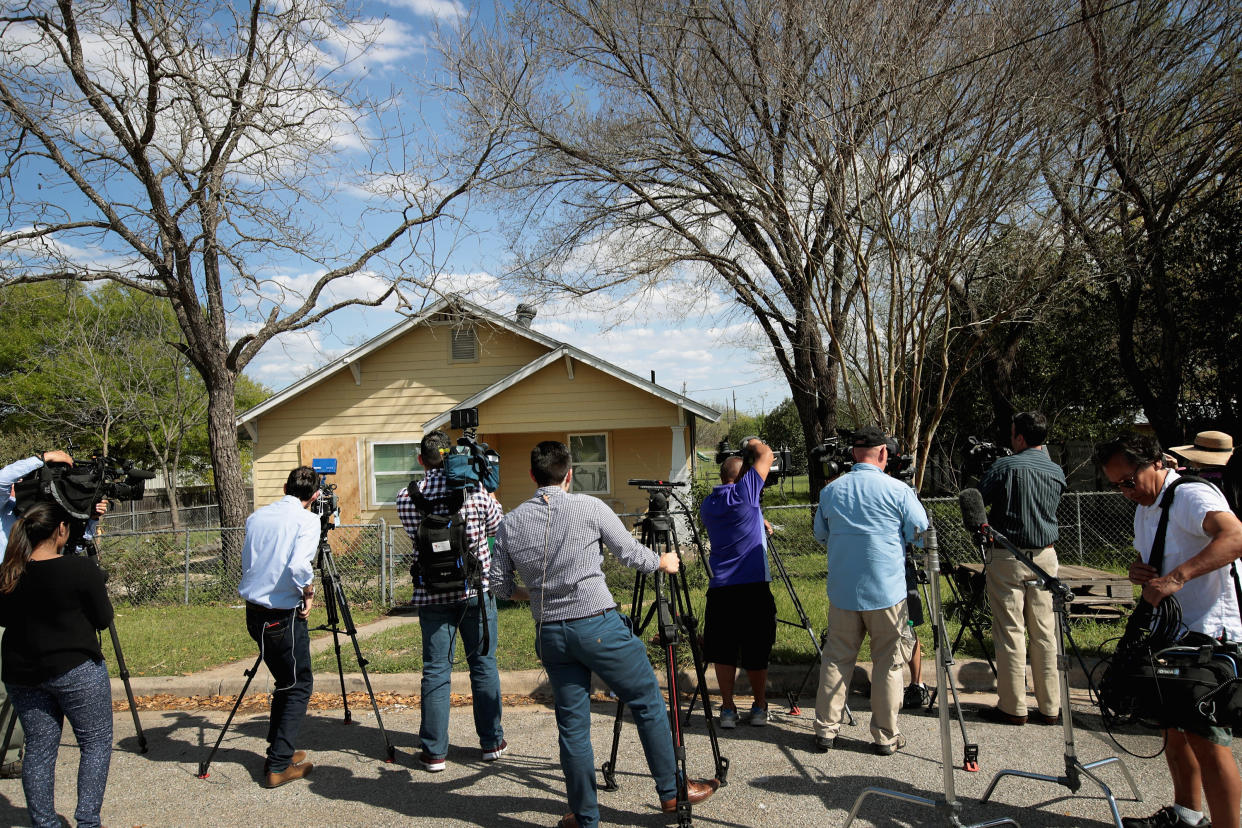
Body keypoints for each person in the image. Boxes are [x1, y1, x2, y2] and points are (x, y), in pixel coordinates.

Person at [491, 441, 718, 828]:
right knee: (645, 698)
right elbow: (630, 554)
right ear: (569, 474)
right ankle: (671, 792)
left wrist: (536, 592)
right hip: (596, 624)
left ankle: (585, 816)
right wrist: (661, 561)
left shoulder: (510, 523)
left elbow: (499, 586)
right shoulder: (589, 507)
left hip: (550, 633)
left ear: (532, 476)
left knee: (573, 726)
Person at [1098, 433, 1242, 828]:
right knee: (1173, 730)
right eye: (1116, 486)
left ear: (1157, 463)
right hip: (1173, 635)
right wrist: (1140, 571)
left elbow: (1235, 536)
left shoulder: (1192, 496)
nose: (1126, 492)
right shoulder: (1147, 506)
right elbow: (1161, 557)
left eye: (1129, 481)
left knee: (1207, 739)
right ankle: (1187, 814)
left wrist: (1177, 577)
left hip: (1209, 634)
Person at [811, 426, 927, 755]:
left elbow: (821, 534)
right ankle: (885, 736)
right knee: (889, 664)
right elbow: (919, 532)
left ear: (853, 455)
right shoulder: (899, 490)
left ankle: (825, 731)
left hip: (844, 592)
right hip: (887, 592)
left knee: (836, 660)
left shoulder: (831, 492)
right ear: (883, 454)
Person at [0, 501, 114, 828]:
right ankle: (88, 821)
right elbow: (103, 619)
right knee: (94, 744)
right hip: (76, 669)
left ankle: (44, 823)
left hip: (22, 672)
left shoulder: (9, 572)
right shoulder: (80, 570)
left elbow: (4, 617)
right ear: (60, 531)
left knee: (39, 748)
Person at [396, 430, 505, 772]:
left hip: (431, 594)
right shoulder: (478, 493)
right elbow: (496, 528)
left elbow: (415, 533)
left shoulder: (406, 497)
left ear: (421, 460)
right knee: (483, 665)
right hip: (475, 591)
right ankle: (491, 743)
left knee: (436, 670)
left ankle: (434, 753)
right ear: (452, 458)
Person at [0, 450, 101, 780]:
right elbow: (2, 479)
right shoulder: (5, 509)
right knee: (5, 693)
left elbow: (70, 545)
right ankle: (9, 753)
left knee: (28, 720)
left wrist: (90, 516)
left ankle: (11, 755)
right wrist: (42, 457)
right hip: (11, 601)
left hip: (39, 612)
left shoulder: (50, 521)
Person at [976, 411, 1066, 726]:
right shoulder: (1056, 471)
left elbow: (976, 498)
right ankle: (1051, 706)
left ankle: (1013, 707)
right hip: (1046, 558)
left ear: (1020, 437)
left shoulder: (1006, 466)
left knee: (1011, 630)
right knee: (1045, 633)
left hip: (1009, 555)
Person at [237, 465, 321, 788]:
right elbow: (301, 565)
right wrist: (309, 591)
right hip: (282, 616)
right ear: (314, 496)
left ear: (285, 487)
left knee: (286, 681)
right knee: (299, 684)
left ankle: (279, 749)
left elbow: (248, 560)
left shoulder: (257, 517)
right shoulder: (308, 520)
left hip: (254, 613)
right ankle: (279, 765)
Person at [698, 436, 776, 728]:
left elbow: (742, 514)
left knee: (723, 650)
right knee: (757, 651)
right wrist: (753, 442)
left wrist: (760, 518)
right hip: (752, 587)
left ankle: (728, 709)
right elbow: (765, 454)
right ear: (744, 477)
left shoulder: (709, 504)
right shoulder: (745, 493)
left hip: (721, 589)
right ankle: (759, 706)